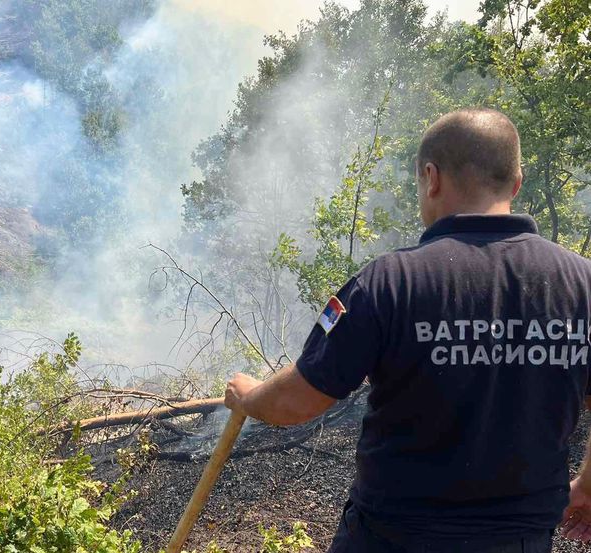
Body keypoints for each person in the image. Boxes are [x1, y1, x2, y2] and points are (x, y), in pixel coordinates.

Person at [224, 108, 591, 552]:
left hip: (393, 539)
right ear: (516, 183)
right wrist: (587, 484)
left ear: (431, 178)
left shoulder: (389, 282)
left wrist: (248, 396)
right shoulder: (582, 283)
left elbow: (296, 401)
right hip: (520, 542)